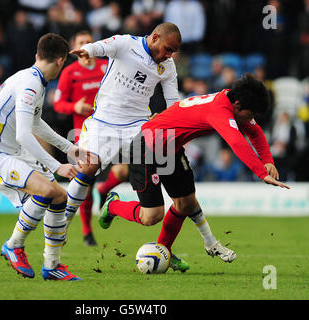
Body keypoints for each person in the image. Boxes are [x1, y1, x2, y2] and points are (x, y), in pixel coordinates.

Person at [99, 74, 290, 271]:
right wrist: (260, 172)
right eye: (250, 114)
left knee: (186, 203)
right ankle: (112, 205)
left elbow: (255, 131)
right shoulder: (220, 111)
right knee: (152, 216)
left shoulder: (231, 102)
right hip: (145, 147)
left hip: (170, 149)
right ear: (239, 104)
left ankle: (165, 249)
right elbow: (236, 142)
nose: (251, 119)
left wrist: (267, 161)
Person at [63, 22, 189, 270]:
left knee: (156, 184)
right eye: (166, 49)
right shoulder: (125, 43)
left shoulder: (168, 66)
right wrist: (87, 49)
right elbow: (99, 47)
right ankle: (63, 222)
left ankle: (164, 245)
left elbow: (173, 100)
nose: (168, 55)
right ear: (154, 37)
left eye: (172, 52)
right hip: (104, 122)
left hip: (138, 127)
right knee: (88, 167)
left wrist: (165, 117)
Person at [0, 33, 93, 281]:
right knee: (48, 192)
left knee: (58, 195)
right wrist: (57, 165)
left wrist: (69, 148)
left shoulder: (34, 78)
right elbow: (25, 135)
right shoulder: (30, 84)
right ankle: (14, 245)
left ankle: (52, 265)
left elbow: (35, 123)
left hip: (9, 150)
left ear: (37, 55)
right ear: (60, 62)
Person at [53, 30, 127, 246]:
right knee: (86, 185)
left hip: (113, 129)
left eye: (88, 42)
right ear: (75, 48)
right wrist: (74, 106)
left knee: (123, 170)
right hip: (84, 134)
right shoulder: (70, 73)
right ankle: (87, 232)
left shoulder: (106, 67)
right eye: (81, 42)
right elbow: (58, 104)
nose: (85, 46)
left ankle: (105, 190)